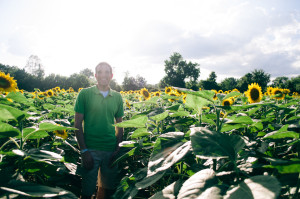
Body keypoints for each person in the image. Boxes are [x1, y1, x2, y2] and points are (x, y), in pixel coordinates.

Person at [74, 62, 124, 199]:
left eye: (107, 72)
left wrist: (117, 149)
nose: (104, 75)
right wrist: (84, 151)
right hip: (91, 149)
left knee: (106, 189)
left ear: (111, 75)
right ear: (95, 75)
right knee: (86, 192)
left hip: (110, 150)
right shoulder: (85, 94)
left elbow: (120, 124)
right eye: (100, 72)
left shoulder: (118, 97)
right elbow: (77, 124)